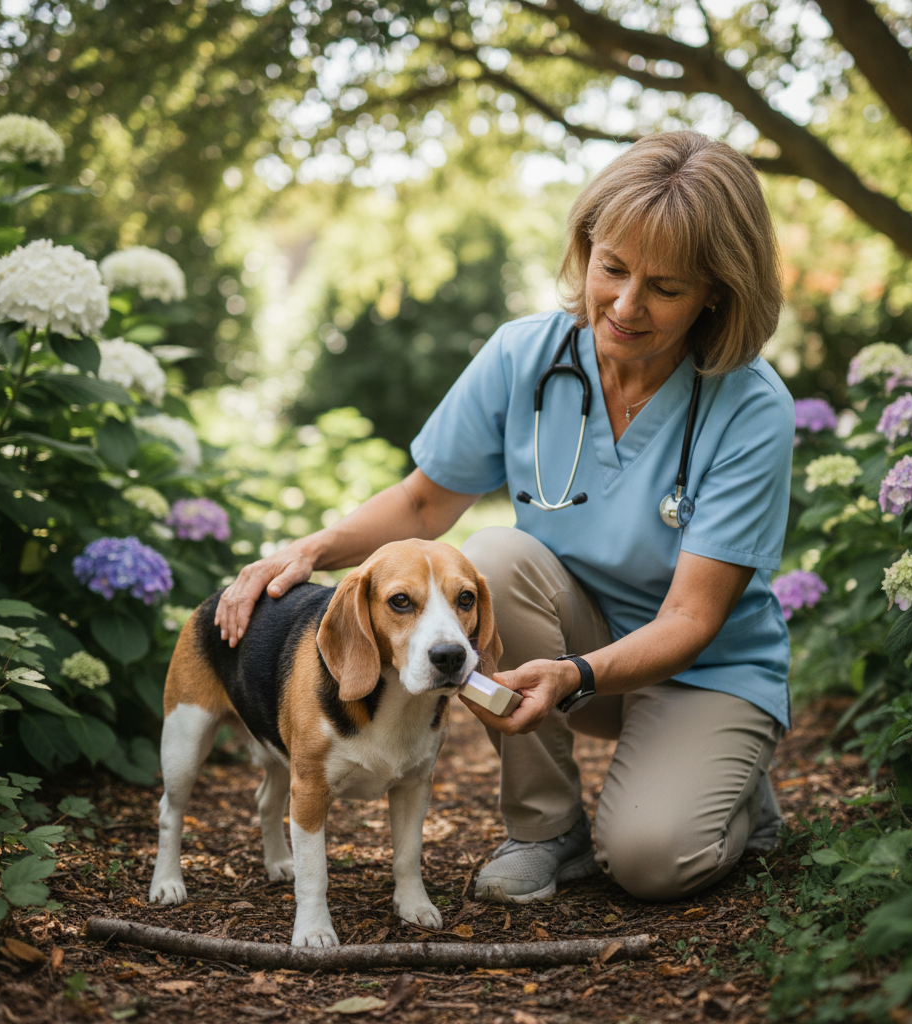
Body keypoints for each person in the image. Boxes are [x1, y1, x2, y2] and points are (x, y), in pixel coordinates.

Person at [215, 131, 794, 905]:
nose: (624, 305)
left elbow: (692, 618)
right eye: (612, 268)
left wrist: (576, 674)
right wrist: (309, 550)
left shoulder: (752, 409)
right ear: (586, 248)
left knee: (653, 861)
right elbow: (424, 502)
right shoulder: (525, 356)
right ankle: (546, 829)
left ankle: (735, 794)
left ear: (716, 291)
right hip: (582, 651)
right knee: (492, 553)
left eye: (665, 287)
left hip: (702, 671)